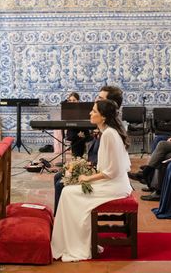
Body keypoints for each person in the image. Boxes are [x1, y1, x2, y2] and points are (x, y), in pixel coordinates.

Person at [51, 99, 132, 262]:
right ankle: (71, 241)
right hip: (112, 182)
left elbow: (112, 171)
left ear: (103, 117)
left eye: (94, 111)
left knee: (68, 193)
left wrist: (87, 177)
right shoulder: (107, 132)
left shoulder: (109, 134)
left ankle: (76, 244)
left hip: (115, 186)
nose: (90, 113)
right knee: (68, 191)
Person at [53, 85, 123, 214]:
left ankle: (63, 217)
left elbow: (111, 170)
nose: (96, 101)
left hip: (106, 181)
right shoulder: (105, 130)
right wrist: (78, 166)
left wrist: (85, 175)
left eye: (100, 98)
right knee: (58, 176)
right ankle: (60, 217)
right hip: (96, 169)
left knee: (60, 184)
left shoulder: (109, 133)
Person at [64, 92, 91, 158]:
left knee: (79, 140)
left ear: (78, 101)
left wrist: (81, 132)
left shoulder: (82, 110)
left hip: (82, 132)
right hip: (73, 134)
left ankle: (79, 159)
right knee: (76, 140)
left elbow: (84, 122)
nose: (72, 102)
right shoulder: (67, 110)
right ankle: (77, 159)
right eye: (70, 100)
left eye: (74, 100)